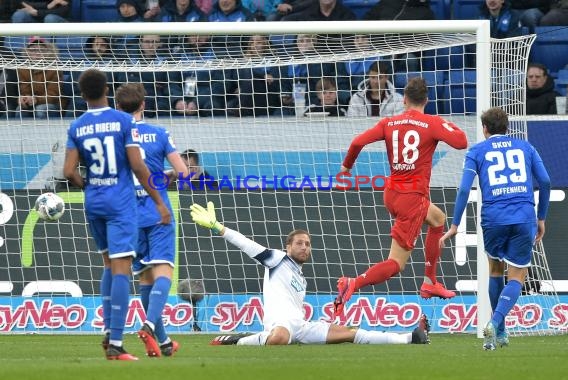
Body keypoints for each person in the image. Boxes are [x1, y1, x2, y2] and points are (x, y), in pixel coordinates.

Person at [190, 201, 431, 346]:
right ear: (288, 246)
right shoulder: (277, 259)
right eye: (299, 243)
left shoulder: (301, 278)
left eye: (307, 244)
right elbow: (247, 244)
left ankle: (411, 338)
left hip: (302, 327)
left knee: (348, 333)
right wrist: (218, 228)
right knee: (279, 339)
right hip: (280, 325)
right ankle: (239, 339)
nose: (304, 247)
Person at [333, 77, 468, 318]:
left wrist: (346, 167)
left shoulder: (389, 122)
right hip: (412, 199)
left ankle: (430, 280)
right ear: (426, 100)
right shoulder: (432, 123)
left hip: (392, 192)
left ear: (404, 100)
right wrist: (443, 124)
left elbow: (357, 142)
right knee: (396, 263)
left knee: (437, 218)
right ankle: (352, 283)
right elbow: (461, 142)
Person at [63, 68, 170, 361]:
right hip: (120, 204)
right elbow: (137, 166)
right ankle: (117, 344)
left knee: (108, 264)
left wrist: (89, 186)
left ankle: (109, 332)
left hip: (93, 202)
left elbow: (68, 171)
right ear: (107, 90)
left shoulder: (77, 126)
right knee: (122, 269)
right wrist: (159, 201)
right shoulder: (124, 121)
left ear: (82, 94)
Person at [439, 107, 550, 350]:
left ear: (485, 128)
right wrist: (541, 217)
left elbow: (464, 190)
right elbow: (545, 181)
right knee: (517, 276)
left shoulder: (477, 151)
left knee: (495, 269)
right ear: (507, 127)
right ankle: (496, 323)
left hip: (493, 218)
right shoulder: (526, 148)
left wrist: (456, 224)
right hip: (523, 216)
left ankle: (498, 331)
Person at [115, 83, 189, 357]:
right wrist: (166, 175)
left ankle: (165, 341)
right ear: (143, 105)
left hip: (128, 217)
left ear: (118, 107)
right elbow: (183, 173)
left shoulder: (115, 138)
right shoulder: (159, 133)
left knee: (145, 279)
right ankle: (147, 324)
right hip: (158, 212)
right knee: (163, 274)